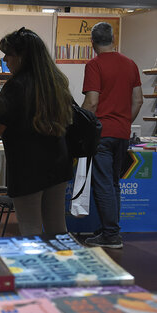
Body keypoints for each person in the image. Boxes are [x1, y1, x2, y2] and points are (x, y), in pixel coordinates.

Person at [0, 27, 73, 236]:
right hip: (58, 163)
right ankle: (62, 267)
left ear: (22, 56)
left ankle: (35, 269)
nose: (5, 59)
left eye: (9, 54)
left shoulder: (15, 87)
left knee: (30, 229)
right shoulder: (56, 83)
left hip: (27, 168)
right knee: (58, 230)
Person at [82, 22, 143, 249]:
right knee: (114, 184)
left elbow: (91, 102)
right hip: (122, 134)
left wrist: (81, 127)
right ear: (113, 39)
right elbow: (137, 100)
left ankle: (110, 235)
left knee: (103, 185)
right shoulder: (130, 64)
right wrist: (125, 122)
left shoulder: (94, 65)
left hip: (102, 134)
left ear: (92, 42)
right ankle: (110, 230)